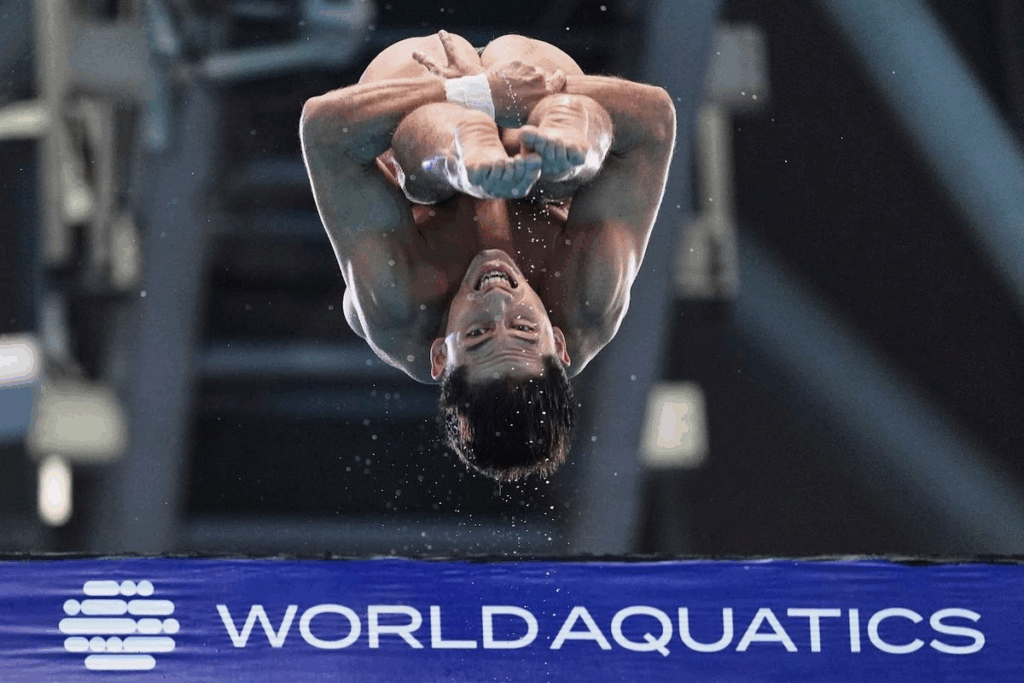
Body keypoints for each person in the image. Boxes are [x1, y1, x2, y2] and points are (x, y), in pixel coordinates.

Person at [300, 31, 675, 481]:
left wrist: (476, 94)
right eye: (523, 327)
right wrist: (525, 102)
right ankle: (566, 142)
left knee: (423, 173)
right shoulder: (588, 299)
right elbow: (653, 120)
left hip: (422, 98)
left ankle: (461, 155)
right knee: (557, 168)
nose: (497, 298)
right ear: (558, 344)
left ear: (440, 356)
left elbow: (324, 130)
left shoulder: (398, 310)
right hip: (532, 93)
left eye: (476, 333)